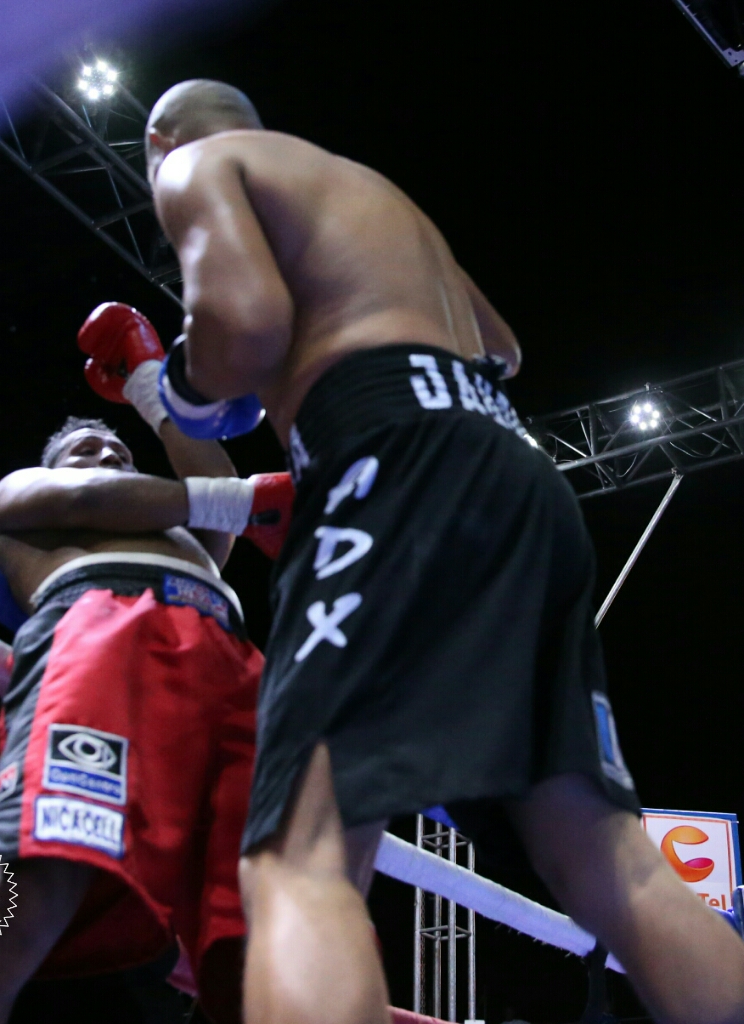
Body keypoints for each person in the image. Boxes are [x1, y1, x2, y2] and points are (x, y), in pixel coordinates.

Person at [141, 79, 744, 1024]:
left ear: (159, 140)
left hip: (391, 454)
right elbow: (503, 349)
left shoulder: (198, 161)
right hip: (512, 463)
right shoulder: (380, 198)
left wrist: (174, 386)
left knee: (302, 857)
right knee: (608, 859)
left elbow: (244, 325)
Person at [0, 303, 292, 1024]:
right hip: (108, 630)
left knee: (263, 930)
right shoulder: (25, 499)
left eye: (121, 456)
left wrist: (149, 382)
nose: (109, 458)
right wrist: (242, 501)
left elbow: (211, 478)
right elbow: (106, 494)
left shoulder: (191, 533)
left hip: (232, 661)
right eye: (87, 450)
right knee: (42, 873)